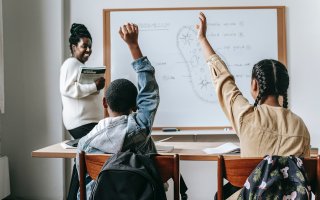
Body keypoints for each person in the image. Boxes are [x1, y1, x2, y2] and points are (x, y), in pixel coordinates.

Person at [195, 12, 310, 199]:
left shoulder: (246, 117)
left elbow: (223, 81)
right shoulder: (300, 126)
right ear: (284, 88)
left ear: (255, 85)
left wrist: (202, 39)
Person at [60, 23, 105, 200]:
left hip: (88, 122)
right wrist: (94, 85)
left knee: (83, 160)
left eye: (90, 46)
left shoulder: (78, 65)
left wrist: (96, 87)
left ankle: (74, 196)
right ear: (73, 47)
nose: (88, 50)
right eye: (84, 46)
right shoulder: (70, 64)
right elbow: (67, 89)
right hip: (81, 123)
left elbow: (82, 91)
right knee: (86, 161)